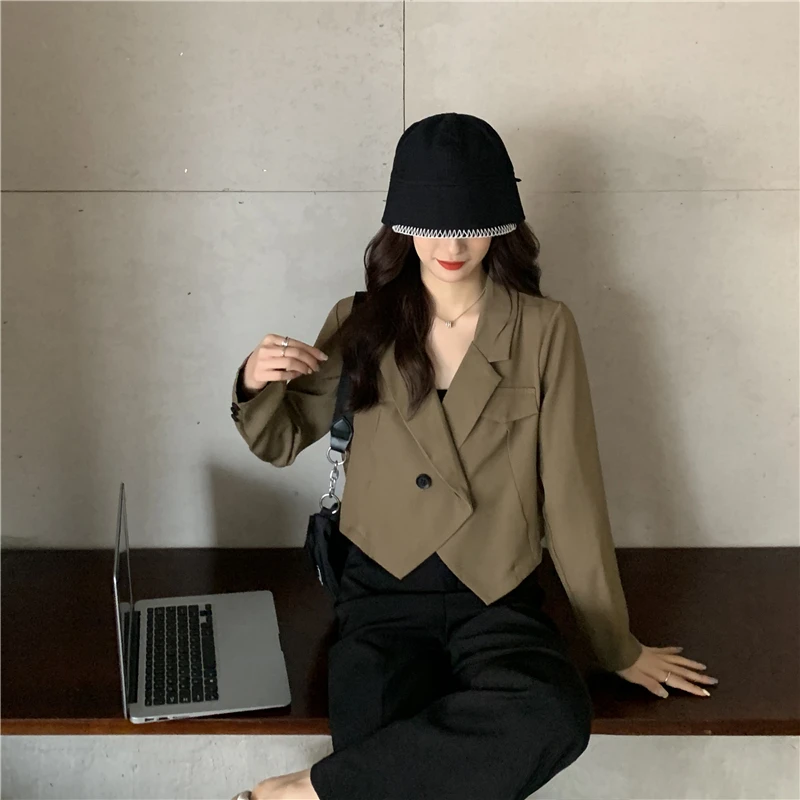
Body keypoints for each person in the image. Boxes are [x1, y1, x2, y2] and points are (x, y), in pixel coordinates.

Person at [228, 113, 718, 800]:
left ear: (501, 224)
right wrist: (254, 382)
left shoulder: (545, 329)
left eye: (471, 224)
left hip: (496, 595)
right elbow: (280, 440)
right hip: (381, 599)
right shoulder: (360, 321)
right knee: (377, 737)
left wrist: (616, 645)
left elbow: (572, 498)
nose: (452, 245)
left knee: (554, 714)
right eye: (431, 224)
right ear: (402, 226)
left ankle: (311, 790)